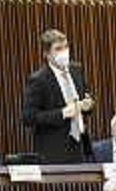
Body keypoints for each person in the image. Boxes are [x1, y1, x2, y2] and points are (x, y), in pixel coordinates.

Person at [23, 29, 94, 164]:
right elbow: (28, 117)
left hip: (80, 145)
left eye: (66, 47)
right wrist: (62, 113)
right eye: (58, 49)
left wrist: (88, 105)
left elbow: (86, 99)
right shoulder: (39, 80)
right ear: (46, 54)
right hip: (54, 150)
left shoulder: (76, 70)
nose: (64, 52)